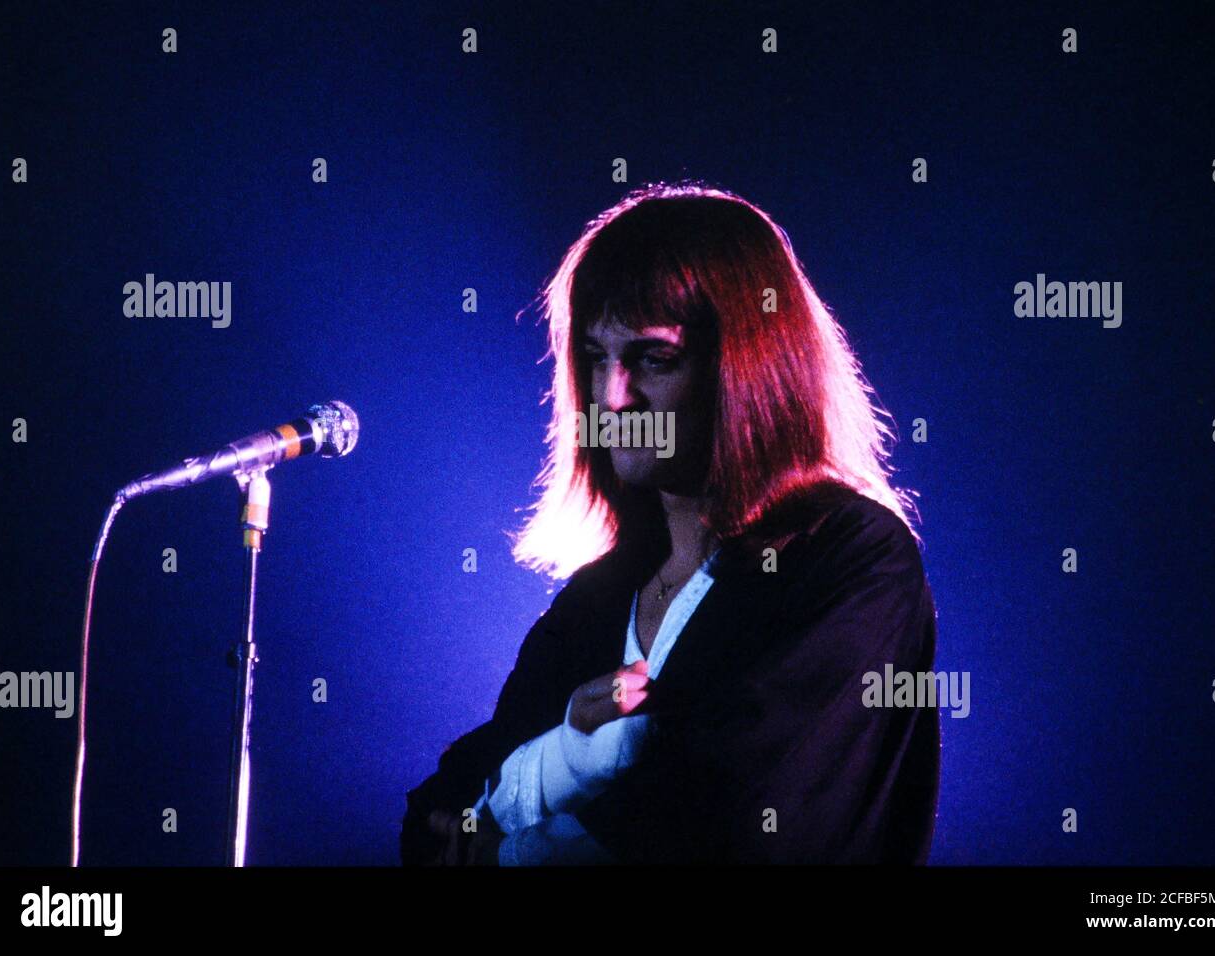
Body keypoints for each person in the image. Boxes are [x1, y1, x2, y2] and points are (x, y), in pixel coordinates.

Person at [400, 181, 940, 865]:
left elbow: (733, 825)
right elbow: (433, 816)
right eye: (595, 359)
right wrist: (559, 762)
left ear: (748, 364)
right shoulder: (596, 598)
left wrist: (509, 840)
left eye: (652, 359)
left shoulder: (853, 559)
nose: (611, 398)